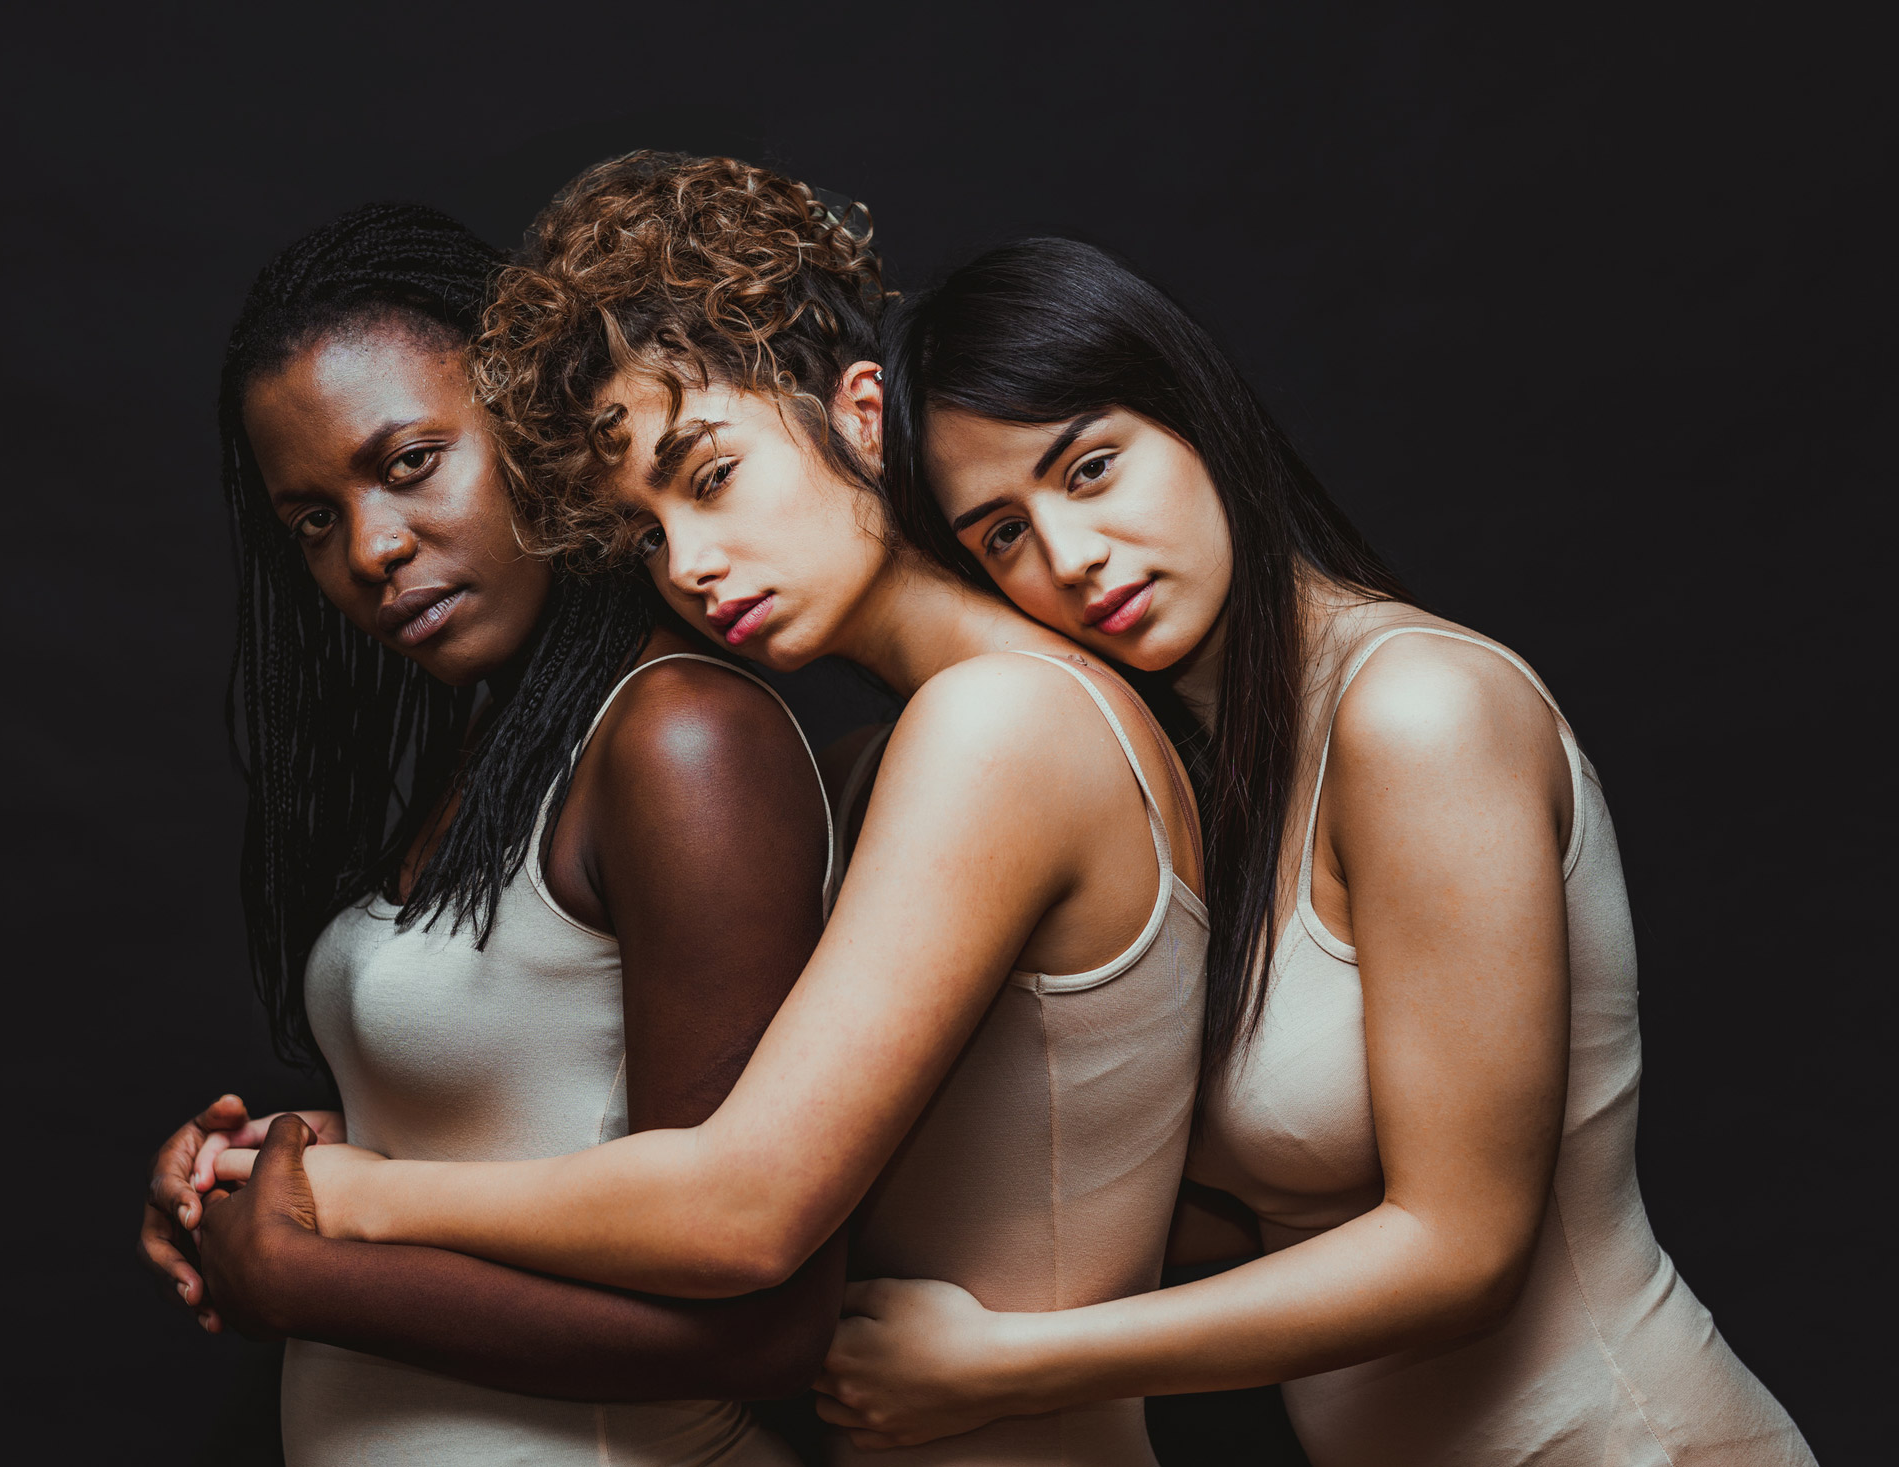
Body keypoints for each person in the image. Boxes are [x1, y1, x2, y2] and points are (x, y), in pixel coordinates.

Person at [214, 153, 1210, 1465]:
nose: (686, 565)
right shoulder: (893, 754)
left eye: (711, 474)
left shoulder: (1002, 723)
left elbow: (747, 1211)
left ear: (861, 416)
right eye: (638, 534)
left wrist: (351, 1203)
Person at [807, 237, 1817, 1466]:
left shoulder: (1416, 712)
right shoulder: (1197, 772)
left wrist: (1001, 1366)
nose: (1071, 557)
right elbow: (1254, 1207)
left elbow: (1463, 1250)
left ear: (1193, 411)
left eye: (1092, 468)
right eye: (1002, 534)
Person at [132, 202, 852, 1465]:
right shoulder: (501, 743)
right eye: (312, 518)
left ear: (538, 423)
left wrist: (305, 1279)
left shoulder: (679, 739)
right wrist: (270, 1171)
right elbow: (540, 1137)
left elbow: (765, 1326)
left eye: (408, 461)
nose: (368, 547)